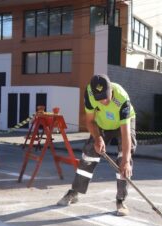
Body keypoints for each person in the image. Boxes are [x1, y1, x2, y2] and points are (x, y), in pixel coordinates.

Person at [57, 74, 136, 216]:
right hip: (101, 124)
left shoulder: (122, 99)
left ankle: (121, 200)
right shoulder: (89, 93)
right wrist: (98, 138)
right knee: (88, 155)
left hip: (122, 126)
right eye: (100, 99)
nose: (104, 102)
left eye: (106, 97)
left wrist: (125, 160)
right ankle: (75, 192)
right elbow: (90, 120)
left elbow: (125, 134)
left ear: (110, 89)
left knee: (123, 160)